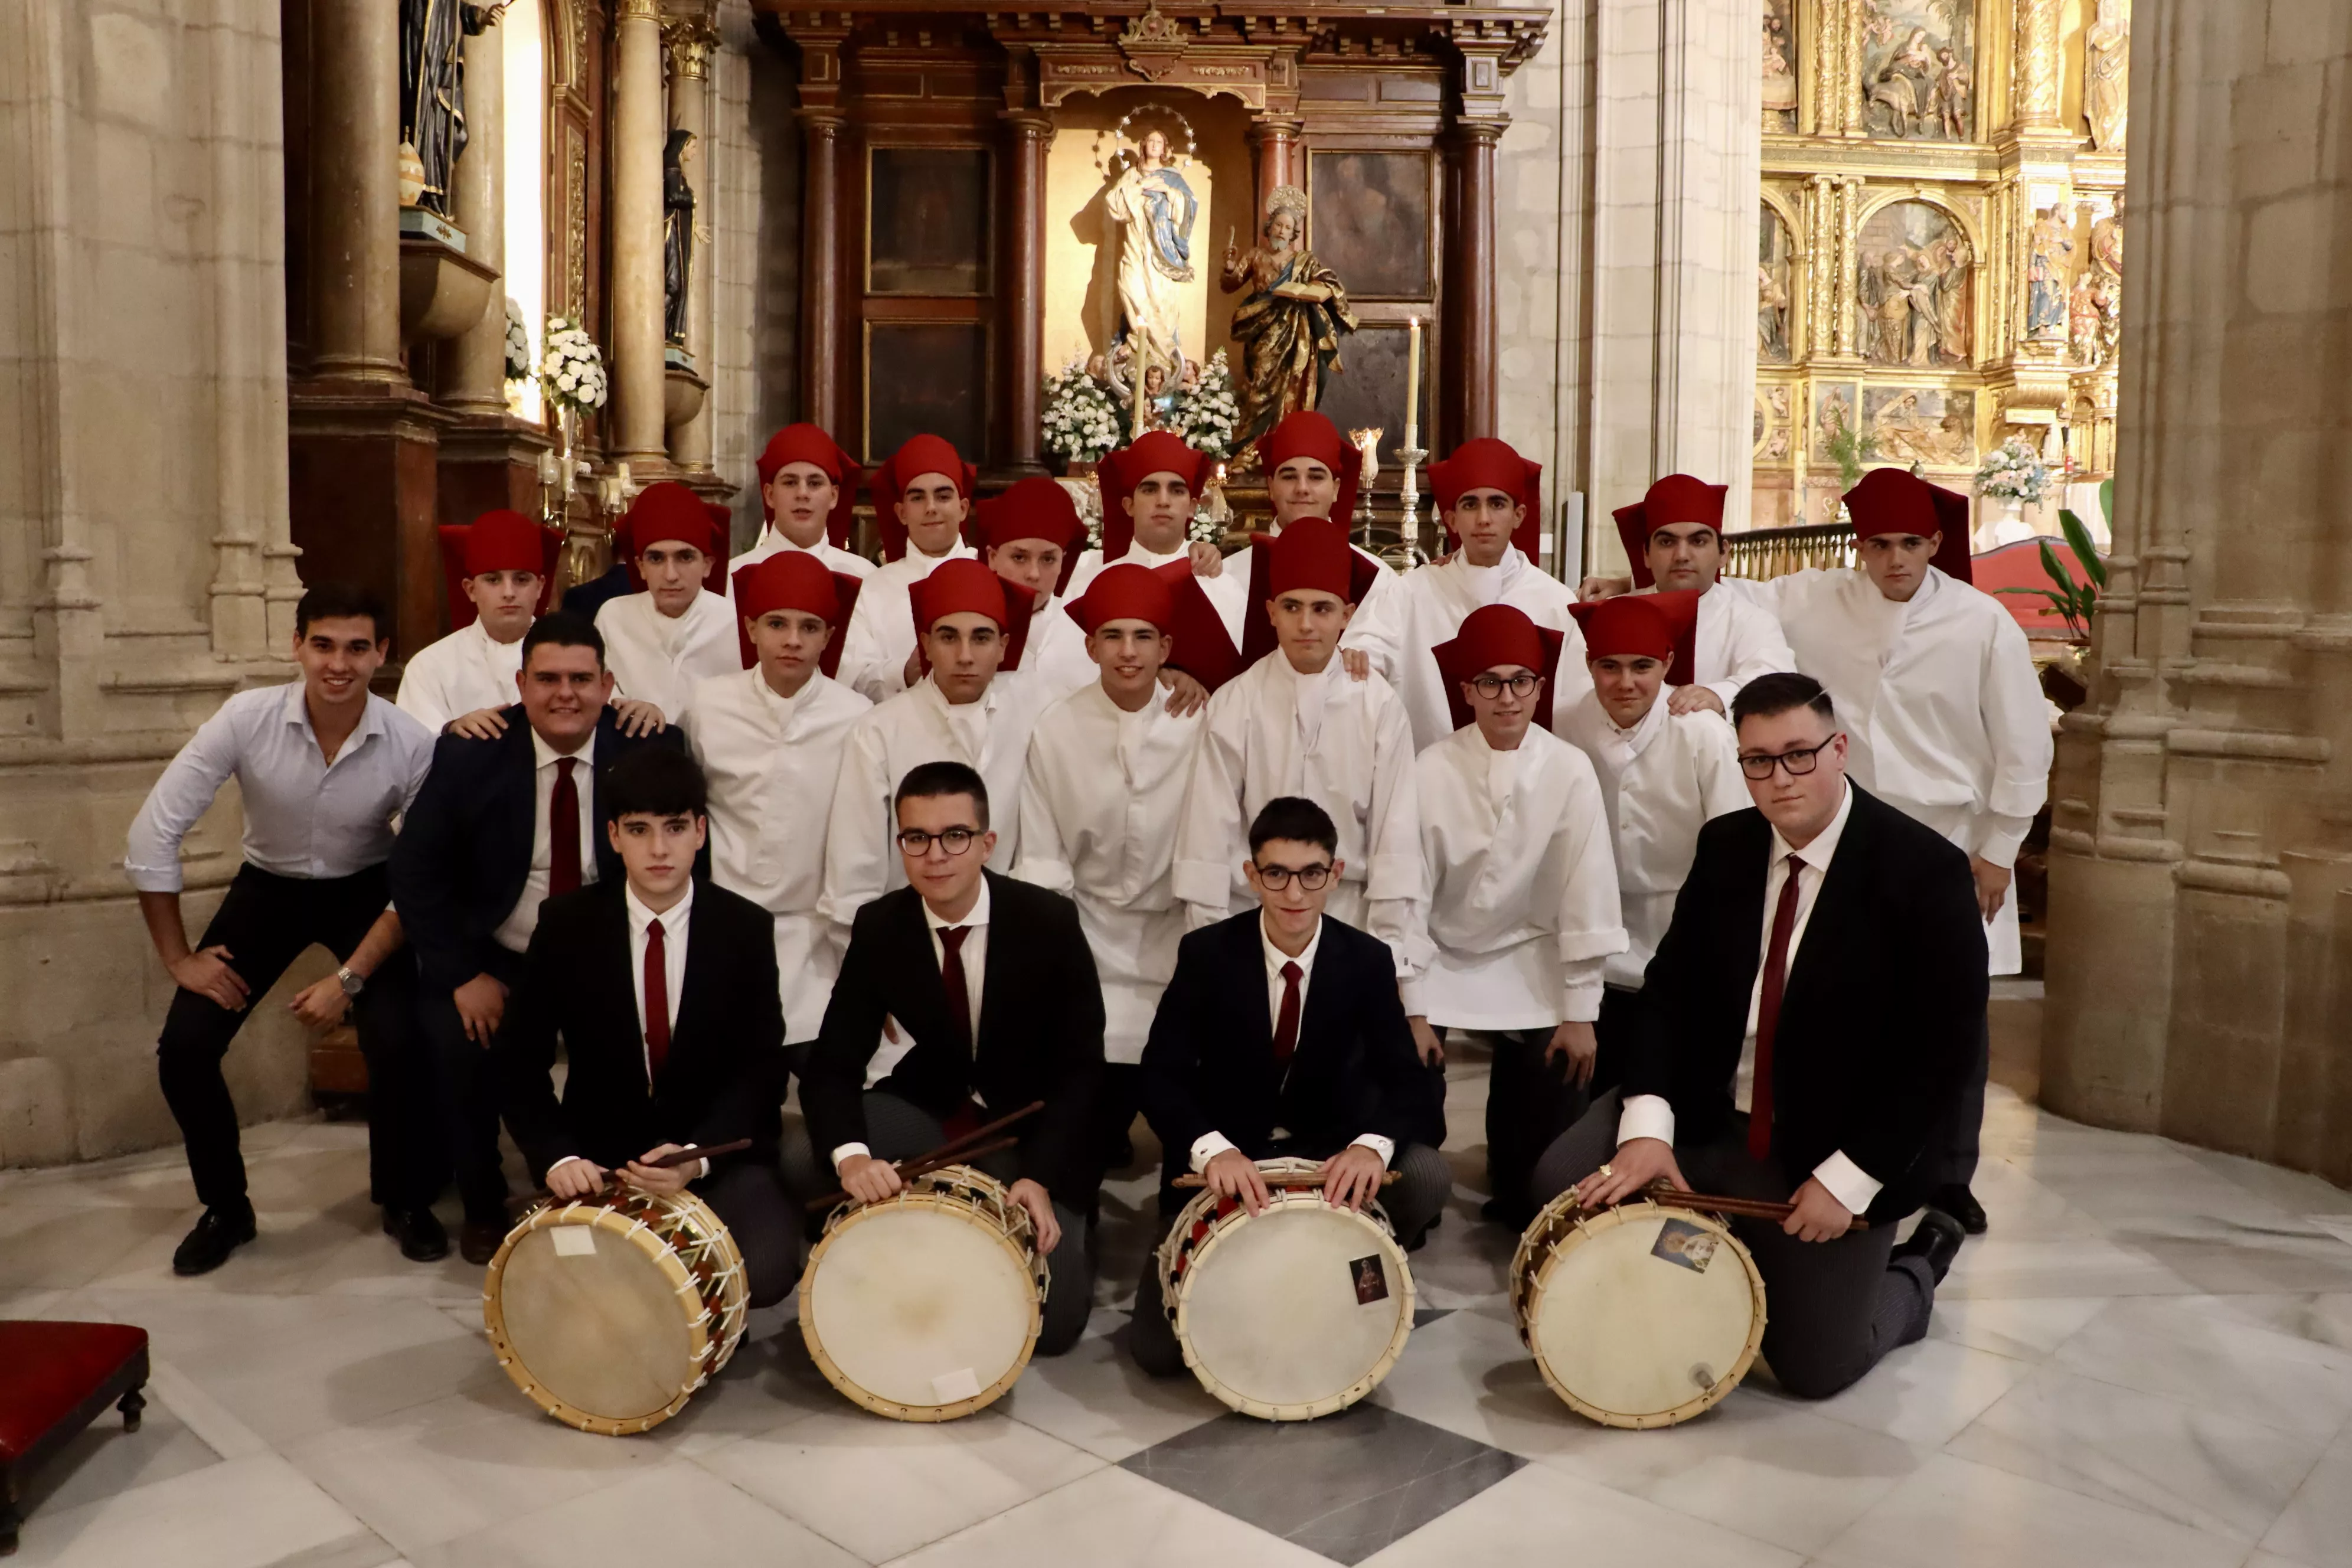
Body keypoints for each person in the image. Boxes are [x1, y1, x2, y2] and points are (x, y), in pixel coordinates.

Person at [1531, 672, 1977, 1399]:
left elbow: (1939, 1056)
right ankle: (1700, 1268)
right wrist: (1648, 1127)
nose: (1780, 777)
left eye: (1799, 753)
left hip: (1826, 1145)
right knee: (1564, 1180)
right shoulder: (1728, 845)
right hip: (1711, 1115)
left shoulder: (1924, 871)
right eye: (1759, 760)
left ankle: (1919, 1263)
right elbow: (1667, 994)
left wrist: (1848, 1179)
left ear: (1840, 749)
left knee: (1816, 1367)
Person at [1738, 469, 2051, 1233]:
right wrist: (1642, 588)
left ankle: (1949, 1179)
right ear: (1861, 547)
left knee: (1953, 1020)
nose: (1896, 560)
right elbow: (1732, 600)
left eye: (1911, 544)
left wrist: (2000, 849)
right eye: (1879, 545)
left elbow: (2024, 745)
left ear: (1936, 543)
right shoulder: (1819, 600)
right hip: (1855, 842)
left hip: (1953, 842)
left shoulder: (1982, 623)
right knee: (1855, 1010)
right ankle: (1852, 1162)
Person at [126, 583, 439, 1275]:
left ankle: (404, 1198)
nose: (338, 663)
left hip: (369, 890)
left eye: (358, 648)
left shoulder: (412, 743)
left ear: (382, 653)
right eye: (323, 644)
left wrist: (350, 979)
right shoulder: (246, 718)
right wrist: (179, 957)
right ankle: (226, 1208)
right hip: (266, 890)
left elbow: (422, 876)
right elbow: (152, 832)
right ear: (296, 645)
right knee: (185, 1046)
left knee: (400, 1035)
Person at [389, 610, 695, 1263]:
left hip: (608, 953)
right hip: (498, 952)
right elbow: (415, 870)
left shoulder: (646, 744)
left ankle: (609, 1180)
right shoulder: (472, 752)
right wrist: (461, 974)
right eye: (549, 678)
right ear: (521, 684)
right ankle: (482, 1202)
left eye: (583, 679)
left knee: (638, 1054)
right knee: (458, 1042)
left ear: (608, 683)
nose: (566, 694)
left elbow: (685, 854)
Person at [1131, 795, 1449, 1376]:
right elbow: (1160, 1074)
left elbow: (1410, 1081)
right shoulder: (1206, 954)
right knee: (1159, 1352)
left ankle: (1354, 1252)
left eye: (1311, 874)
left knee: (1426, 1173)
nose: (1294, 893)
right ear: (1252, 875)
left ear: (1336, 874)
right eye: (1276, 873)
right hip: (1231, 1163)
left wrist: (1369, 1145)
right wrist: (1212, 1148)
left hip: (1328, 1162)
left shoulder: (1368, 960)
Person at [801, 760, 1105, 1355]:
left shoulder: (1048, 921)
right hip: (937, 1109)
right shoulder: (882, 925)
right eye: (917, 838)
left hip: (1033, 1128)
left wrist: (1040, 1175)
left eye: (954, 836)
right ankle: (904, 1233)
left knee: (1055, 1322)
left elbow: (1083, 1071)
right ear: (901, 846)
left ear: (987, 843)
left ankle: (1067, 1218)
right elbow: (833, 1064)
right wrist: (853, 1160)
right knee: (805, 1155)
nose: (935, 854)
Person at [496, 747, 799, 1306]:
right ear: (613, 836)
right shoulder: (566, 926)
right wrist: (559, 1157)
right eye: (639, 830)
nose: (659, 849)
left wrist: (697, 1156)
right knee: (562, 1289)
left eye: (676, 828)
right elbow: (518, 1061)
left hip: (713, 1153)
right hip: (603, 1156)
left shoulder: (744, 928)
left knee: (770, 1271)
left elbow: (761, 1070)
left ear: (701, 832)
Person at [1406, 605, 1625, 1224]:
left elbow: (1586, 886)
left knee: (1538, 1162)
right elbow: (1408, 895)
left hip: (1533, 953)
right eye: (1491, 682)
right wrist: (1412, 1004)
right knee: (1409, 1087)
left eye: (1521, 680)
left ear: (1540, 686)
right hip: (1440, 956)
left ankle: (1516, 1176)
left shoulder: (1569, 768)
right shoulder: (1429, 768)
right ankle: (1411, 1199)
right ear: (1466, 690)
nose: (1508, 697)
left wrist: (1580, 1010)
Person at [1015, 564, 1211, 1167]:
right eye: (1114, 636)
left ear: (1167, 648)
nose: (1129, 652)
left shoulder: (1201, 720)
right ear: (1090, 645)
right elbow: (1044, 858)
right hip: (1090, 938)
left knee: (1192, 1128)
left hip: (1175, 936)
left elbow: (1212, 848)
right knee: (1085, 1136)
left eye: (1144, 636)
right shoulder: (1057, 728)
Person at [1172, 517, 1423, 970]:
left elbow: (1395, 834)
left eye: (1322, 609)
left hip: (1352, 920)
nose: (1306, 625)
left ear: (1347, 615)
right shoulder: (1236, 702)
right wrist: (1209, 943)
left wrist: (1389, 952)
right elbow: (1208, 831)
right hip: (1251, 918)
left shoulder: (1378, 705)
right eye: (1292, 607)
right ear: (1271, 612)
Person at [1553, 590, 1749, 1113]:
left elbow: (1735, 844)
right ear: (1589, 665)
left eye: (1642, 667)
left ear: (1667, 663)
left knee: (1691, 1097)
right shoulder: (1567, 724)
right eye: (1608, 667)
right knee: (1602, 1090)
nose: (1625, 683)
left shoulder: (1702, 732)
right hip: (1600, 932)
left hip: (1686, 931)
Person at [683, 552, 871, 1076]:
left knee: (827, 1078)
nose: (792, 640)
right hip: (722, 928)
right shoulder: (708, 705)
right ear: (751, 628)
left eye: (809, 627)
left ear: (829, 637)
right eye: (777, 624)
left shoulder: (855, 716)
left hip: (816, 935)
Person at [819, 558, 1054, 926]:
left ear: (1004, 646)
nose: (965, 656)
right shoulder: (880, 729)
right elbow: (855, 868)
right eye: (949, 637)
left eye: (981, 638)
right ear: (926, 644)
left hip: (1009, 929)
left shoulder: (1037, 710)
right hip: (906, 935)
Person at [1344, 437, 1584, 750]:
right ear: (1452, 520)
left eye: (1497, 504)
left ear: (1519, 515)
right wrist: (1353, 655)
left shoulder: (1557, 602)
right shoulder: (1410, 592)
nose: (1484, 518)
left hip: (1532, 781)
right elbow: (1360, 656)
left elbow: (1578, 703)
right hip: (1436, 779)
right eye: (1470, 504)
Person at [1579, 474, 1795, 717]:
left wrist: (1718, 695)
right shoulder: (1612, 616)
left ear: (1723, 553)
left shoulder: (1749, 621)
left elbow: (1778, 683)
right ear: (1646, 554)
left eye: (1698, 541)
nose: (1682, 555)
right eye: (1667, 542)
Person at [1208, 411, 1391, 648]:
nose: (1302, 488)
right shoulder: (1228, 577)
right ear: (1272, 487)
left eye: (1316, 477)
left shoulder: (1379, 582)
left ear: (1336, 489)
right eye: (1289, 477)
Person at [833, 435, 981, 703]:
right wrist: (904, 673)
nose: (931, 508)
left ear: (963, 508)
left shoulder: (990, 576)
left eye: (943, 496)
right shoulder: (871, 589)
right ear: (901, 513)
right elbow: (850, 676)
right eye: (918, 498)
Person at [397, 508, 557, 735]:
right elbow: (412, 747)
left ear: (540, 587)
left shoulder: (574, 657)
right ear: (470, 589)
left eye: (521, 579)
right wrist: (450, 731)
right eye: (493, 580)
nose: (509, 592)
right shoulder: (430, 666)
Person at [595, 481, 739, 724]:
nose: (671, 575)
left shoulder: (735, 623)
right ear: (641, 567)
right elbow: (596, 690)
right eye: (656, 559)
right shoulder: (613, 617)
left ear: (707, 565)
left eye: (685, 557)